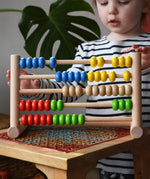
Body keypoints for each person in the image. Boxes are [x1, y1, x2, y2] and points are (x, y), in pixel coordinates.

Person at [6, 0, 150, 178]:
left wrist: (147, 67)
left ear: (145, 5)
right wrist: (34, 86)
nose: (111, 10)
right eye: (103, 2)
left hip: (145, 151)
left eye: (123, 1)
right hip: (105, 154)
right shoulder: (88, 51)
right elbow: (68, 89)